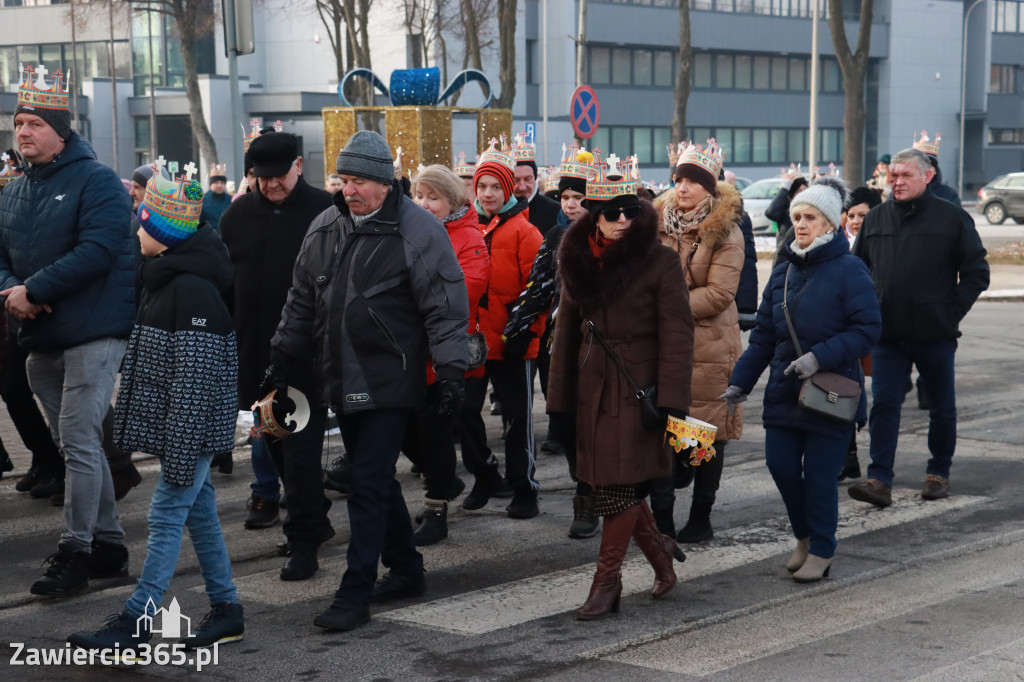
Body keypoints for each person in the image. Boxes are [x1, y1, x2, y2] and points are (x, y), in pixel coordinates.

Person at [266, 130, 469, 632]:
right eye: (342, 180)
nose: (347, 190)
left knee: (368, 483)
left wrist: (450, 373)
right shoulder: (325, 226)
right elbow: (300, 301)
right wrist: (280, 357)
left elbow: (444, 310)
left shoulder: (419, 230)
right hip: (337, 374)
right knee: (371, 480)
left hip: (390, 378)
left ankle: (355, 593)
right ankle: (405, 569)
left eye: (357, 181)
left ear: (383, 183)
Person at [69, 167, 244, 652]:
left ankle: (137, 618)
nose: (136, 230)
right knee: (201, 514)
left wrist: (182, 448)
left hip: (190, 430)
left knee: (167, 515)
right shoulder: (165, 279)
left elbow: (195, 378)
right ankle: (227, 609)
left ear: (164, 233)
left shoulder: (193, 290)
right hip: (181, 430)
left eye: (142, 222)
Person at [0, 64, 135, 597]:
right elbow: (1, 258)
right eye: (18, 123)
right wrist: (14, 291)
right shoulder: (11, 191)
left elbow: (99, 250)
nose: (23, 132)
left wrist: (33, 291)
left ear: (61, 130)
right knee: (76, 445)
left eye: (34, 122)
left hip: (94, 331)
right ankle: (108, 544)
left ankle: (76, 550)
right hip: (40, 337)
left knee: (78, 441)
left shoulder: (97, 179)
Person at [547, 152, 694, 619]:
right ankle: (660, 556)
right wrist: (559, 398)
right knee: (615, 486)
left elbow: (678, 334)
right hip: (592, 390)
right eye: (611, 213)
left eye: (631, 211)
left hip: (640, 391)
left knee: (617, 487)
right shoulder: (575, 257)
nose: (622, 221)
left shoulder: (660, 260)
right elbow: (566, 333)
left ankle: (605, 582)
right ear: (594, 216)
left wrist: (672, 402)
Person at [725, 176, 881, 582]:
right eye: (797, 216)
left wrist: (818, 357)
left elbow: (868, 330)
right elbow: (763, 335)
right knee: (779, 466)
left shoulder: (851, 270)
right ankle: (805, 535)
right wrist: (740, 380)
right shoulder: (783, 272)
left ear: (830, 223)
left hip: (829, 393)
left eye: (810, 216)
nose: (801, 224)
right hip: (784, 389)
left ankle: (823, 548)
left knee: (819, 477)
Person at [219, 129, 336, 581]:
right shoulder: (238, 216)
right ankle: (315, 519)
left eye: (279, 176)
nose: (271, 185)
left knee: (301, 452)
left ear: (299, 166)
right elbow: (228, 286)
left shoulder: (325, 213)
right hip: (254, 357)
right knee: (278, 447)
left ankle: (303, 540)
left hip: (307, 358)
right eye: (260, 178)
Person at [848, 148, 989, 507]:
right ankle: (879, 479)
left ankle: (938, 473)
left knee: (942, 407)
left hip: (935, 335)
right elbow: (855, 272)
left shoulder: (952, 219)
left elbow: (976, 273)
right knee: (885, 405)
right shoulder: (876, 219)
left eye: (905, 175)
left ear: (927, 176)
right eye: (892, 175)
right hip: (888, 336)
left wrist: (949, 312)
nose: (896, 181)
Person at [503, 144, 598, 538]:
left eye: (579, 198)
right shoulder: (557, 233)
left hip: (600, 346)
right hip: (559, 346)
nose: (571, 204)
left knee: (595, 422)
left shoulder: (609, 237)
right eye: (565, 197)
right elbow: (538, 286)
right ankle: (588, 480)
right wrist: (516, 327)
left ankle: (589, 496)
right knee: (562, 419)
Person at [653, 140, 744, 543]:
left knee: (706, 427)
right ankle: (664, 513)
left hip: (709, 342)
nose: (683, 187)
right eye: (679, 179)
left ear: (710, 188)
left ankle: (701, 516)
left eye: (693, 181)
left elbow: (719, 294)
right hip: (664, 340)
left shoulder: (726, 230)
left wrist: (663, 306)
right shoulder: (657, 223)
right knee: (669, 423)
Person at [405, 164, 491, 545]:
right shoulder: (407, 229)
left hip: (445, 351)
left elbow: (467, 288)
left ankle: (437, 508)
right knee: (408, 430)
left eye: (432, 197)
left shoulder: (468, 235)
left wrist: (412, 295)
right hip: (410, 348)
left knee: (434, 433)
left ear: (452, 200)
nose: (423, 204)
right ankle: (444, 481)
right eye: (419, 196)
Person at [467, 137, 545, 518]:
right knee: (464, 413)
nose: (488, 193)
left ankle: (524, 488)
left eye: (496, 186)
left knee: (517, 422)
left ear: (509, 188)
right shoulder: (467, 227)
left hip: (512, 342)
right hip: (472, 343)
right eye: (482, 186)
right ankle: (484, 473)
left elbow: (540, 290)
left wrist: (527, 334)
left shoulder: (525, 232)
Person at [836, 185, 883, 483]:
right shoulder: (837, 241)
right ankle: (848, 457)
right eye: (851, 215)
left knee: (877, 397)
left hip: (872, 326)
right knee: (844, 391)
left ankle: (878, 463)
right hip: (845, 327)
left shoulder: (883, 242)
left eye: (862, 215)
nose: (855, 221)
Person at [512, 136, 561, 237]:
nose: (522, 187)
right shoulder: (500, 210)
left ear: (535, 178)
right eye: (516, 180)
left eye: (527, 179)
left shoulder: (556, 211)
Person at [912, 130, 960, 207]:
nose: (925, 170)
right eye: (920, 165)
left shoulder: (949, 195)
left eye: (929, 165)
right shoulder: (901, 193)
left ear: (935, 170)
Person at [199, 163, 232, 231]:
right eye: (216, 182)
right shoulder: (202, 201)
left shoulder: (231, 200)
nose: (219, 185)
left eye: (222, 183)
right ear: (211, 184)